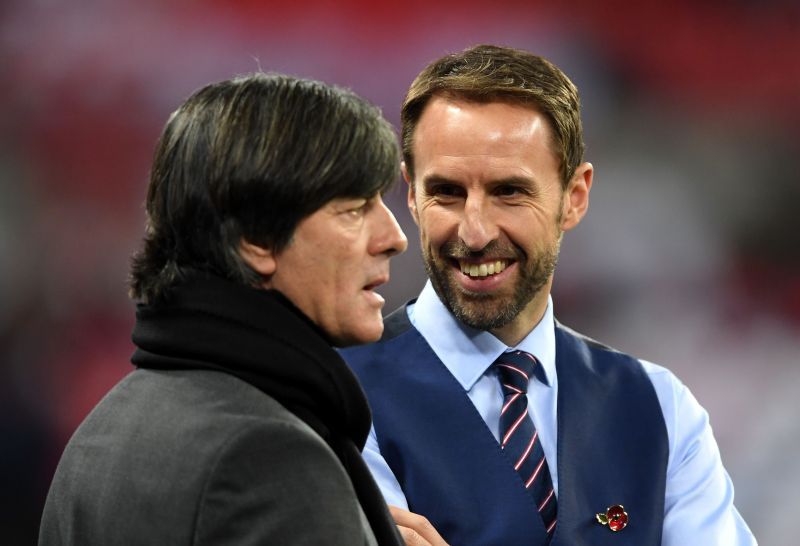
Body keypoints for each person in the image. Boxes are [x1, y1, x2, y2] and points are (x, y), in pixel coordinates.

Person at [341, 45, 757, 545]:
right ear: (410, 194)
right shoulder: (339, 394)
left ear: (573, 197)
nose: (474, 232)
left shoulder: (660, 410)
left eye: (509, 192)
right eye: (447, 192)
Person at [39, 73, 408, 545]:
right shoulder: (271, 460)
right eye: (355, 209)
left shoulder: (101, 433)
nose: (394, 238)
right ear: (256, 237)